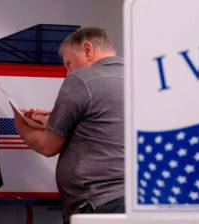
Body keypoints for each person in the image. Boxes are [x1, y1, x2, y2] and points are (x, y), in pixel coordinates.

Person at [12, 27, 124, 223]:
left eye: (69, 64)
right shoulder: (139, 79)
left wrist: (21, 124)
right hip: (137, 203)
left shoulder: (81, 79)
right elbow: (103, 128)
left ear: (88, 50)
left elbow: (48, 146)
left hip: (98, 205)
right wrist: (56, 121)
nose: (67, 73)